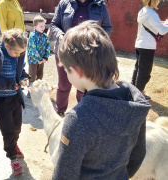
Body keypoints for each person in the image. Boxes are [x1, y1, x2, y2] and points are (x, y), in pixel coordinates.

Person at [52, 21, 151, 179]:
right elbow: (138, 156)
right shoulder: (135, 105)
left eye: (65, 69)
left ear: (76, 72)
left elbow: (64, 175)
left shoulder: (78, 120)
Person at [50, 0, 112, 117]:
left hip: (88, 54)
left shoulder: (99, 5)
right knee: (63, 84)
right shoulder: (64, 4)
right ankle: (60, 111)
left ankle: (83, 112)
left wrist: (95, 39)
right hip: (65, 52)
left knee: (84, 85)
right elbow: (54, 25)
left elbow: (107, 27)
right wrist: (60, 35)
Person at [0, 29, 29, 176]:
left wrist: (24, 77)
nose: (18, 55)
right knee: (8, 130)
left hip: (15, 97)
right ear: (7, 45)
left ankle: (14, 145)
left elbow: (20, 70)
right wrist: (10, 84)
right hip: (2, 100)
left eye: (20, 53)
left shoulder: (18, 55)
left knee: (17, 127)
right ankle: (12, 157)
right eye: (16, 53)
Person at [131, 0, 168, 100]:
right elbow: (162, 30)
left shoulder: (143, 11)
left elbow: (151, 23)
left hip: (139, 44)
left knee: (138, 68)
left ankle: (133, 88)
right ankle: (139, 92)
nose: (159, 1)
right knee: (145, 71)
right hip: (148, 46)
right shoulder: (152, 14)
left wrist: (161, 23)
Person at [27, 15, 50, 98]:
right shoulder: (32, 36)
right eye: (41, 26)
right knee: (32, 76)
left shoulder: (45, 36)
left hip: (42, 60)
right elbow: (33, 49)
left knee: (40, 75)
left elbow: (48, 47)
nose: (43, 27)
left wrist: (45, 57)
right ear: (35, 26)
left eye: (44, 25)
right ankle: (30, 91)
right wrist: (38, 59)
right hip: (33, 60)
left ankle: (38, 90)